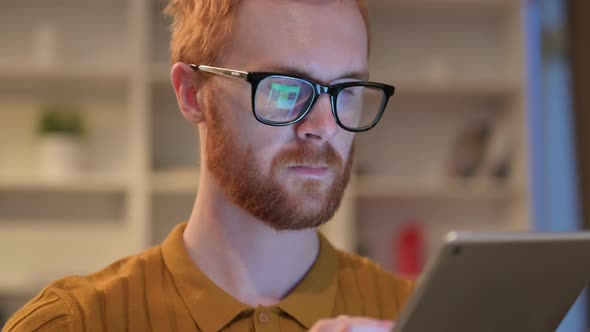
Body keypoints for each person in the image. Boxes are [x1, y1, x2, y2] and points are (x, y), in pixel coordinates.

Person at [3, 0, 415, 331]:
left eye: (345, 91)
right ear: (191, 93)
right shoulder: (71, 323)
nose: (324, 127)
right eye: (285, 88)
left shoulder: (420, 314)